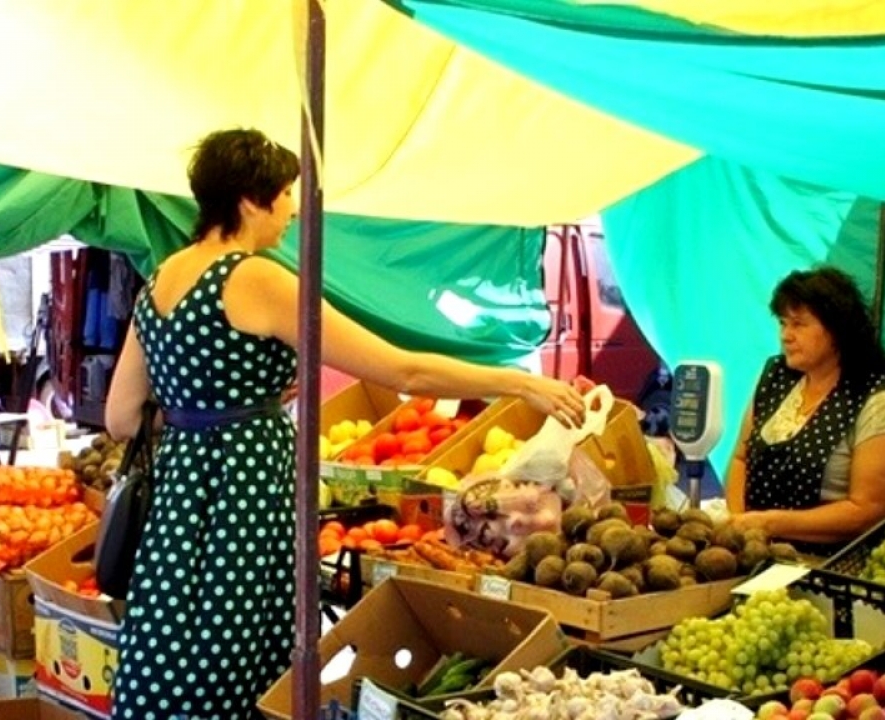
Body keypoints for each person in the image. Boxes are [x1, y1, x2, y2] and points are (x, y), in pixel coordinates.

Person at [103, 128, 585, 719]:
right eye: (286, 195)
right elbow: (402, 368)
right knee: (241, 651)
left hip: (181, 496)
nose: (291, 212)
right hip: (244, 493)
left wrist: (213, 406)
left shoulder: (160, 281)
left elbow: (121, 416)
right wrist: (519, 382)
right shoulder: (255, 277)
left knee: (179, 639)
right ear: (251, 200)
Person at [725, 266, 885, 555]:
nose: (785, 336)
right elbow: (741, 458)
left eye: (798, 324)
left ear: (836, 330)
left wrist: (771, 523)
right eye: (782, 323)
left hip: (837, 564)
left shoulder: (884, 403)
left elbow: (867, 511)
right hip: (756, 551)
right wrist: (740, 526)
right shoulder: (775, 376)